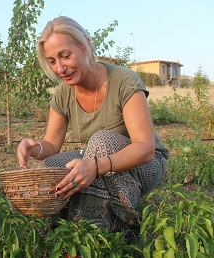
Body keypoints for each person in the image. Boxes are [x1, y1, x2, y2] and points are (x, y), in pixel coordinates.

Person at [16, 16, 169, 232]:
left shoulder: (124, 80)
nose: (60, 68)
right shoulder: (62, 93)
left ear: (87, 45)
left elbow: (145, 148)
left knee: (100, 141)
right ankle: (64, 230)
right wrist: (35, 148)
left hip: (147, 164)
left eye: (65, 56)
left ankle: (112, 229)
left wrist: (95, 167)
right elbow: (51, 145)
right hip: (99, 156)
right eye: (52, 61)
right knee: (53, 168)